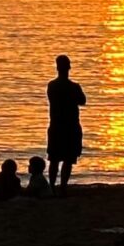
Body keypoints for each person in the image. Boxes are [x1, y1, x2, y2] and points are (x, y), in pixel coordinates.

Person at [46, 54, 86, 196]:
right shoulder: (74, 87)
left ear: (57, 67)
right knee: (67, 159)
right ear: (69, 67)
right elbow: (82, 101)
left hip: (57, 126)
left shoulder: (52, 86)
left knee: (55, 159)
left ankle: (53, 187)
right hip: (69, 126)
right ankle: (62, 187)